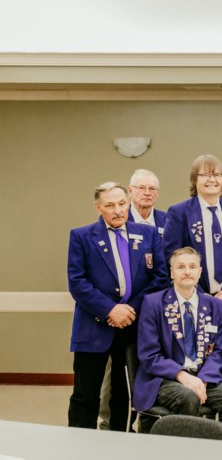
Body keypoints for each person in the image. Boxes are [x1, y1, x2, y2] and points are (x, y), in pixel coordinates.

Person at [67, 182, 168, 430]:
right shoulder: (81, 236)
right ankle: (79, 447)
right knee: (86, 393)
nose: (118, 210)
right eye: (110, 205)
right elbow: (77, 282)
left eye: (122, 203)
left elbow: (160, 277)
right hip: (94, 326)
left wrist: (128, 309)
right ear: (99, 207)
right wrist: (110, 310)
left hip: (132, 327)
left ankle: (119, 442)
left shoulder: (148, 234)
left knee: (123, 393)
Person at [134, 247, 222, 438]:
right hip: (164, 378)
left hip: (205, 377)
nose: (187, 271)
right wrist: (182, 376)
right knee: (188, 397)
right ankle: (187, 456)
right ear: (172, 272)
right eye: (180, 267)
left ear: (200, 272)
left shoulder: (217, 307)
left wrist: (201, 379)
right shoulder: (153, 303)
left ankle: (221, 450)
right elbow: (149, 355)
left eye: (192, 266)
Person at [164, 154, 222, 369]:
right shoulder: (179, 212)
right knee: (196, 360)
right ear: (195, 180)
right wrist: (198, 293)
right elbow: (171, 255)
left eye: (216, 175)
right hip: (192, 300)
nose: (212, 179)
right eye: (205, 174)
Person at [127, 169, 167, 235]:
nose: (147, 193)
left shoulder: (167, 220)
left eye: (152, 189)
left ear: (157, 193)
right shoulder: (121, 219)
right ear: (130, 191)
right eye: (141, 188)